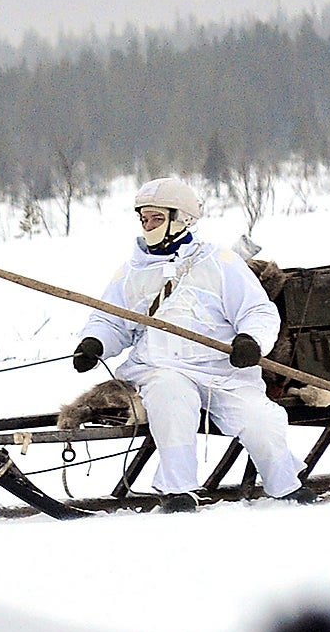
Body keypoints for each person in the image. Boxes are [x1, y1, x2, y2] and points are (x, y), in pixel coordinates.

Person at [71, 176, 309, 512]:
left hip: (222, 371)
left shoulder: (220, 262)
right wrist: (94, 343)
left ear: (181, 218)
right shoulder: (130, 271)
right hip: (159, 368)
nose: (148, 225)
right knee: (170, 398)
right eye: (144, 218)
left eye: (156, 218)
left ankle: (286, 486)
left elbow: (257, 311)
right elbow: (110, 320)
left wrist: (250, 341)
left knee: (262, 420)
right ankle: (178, 491)